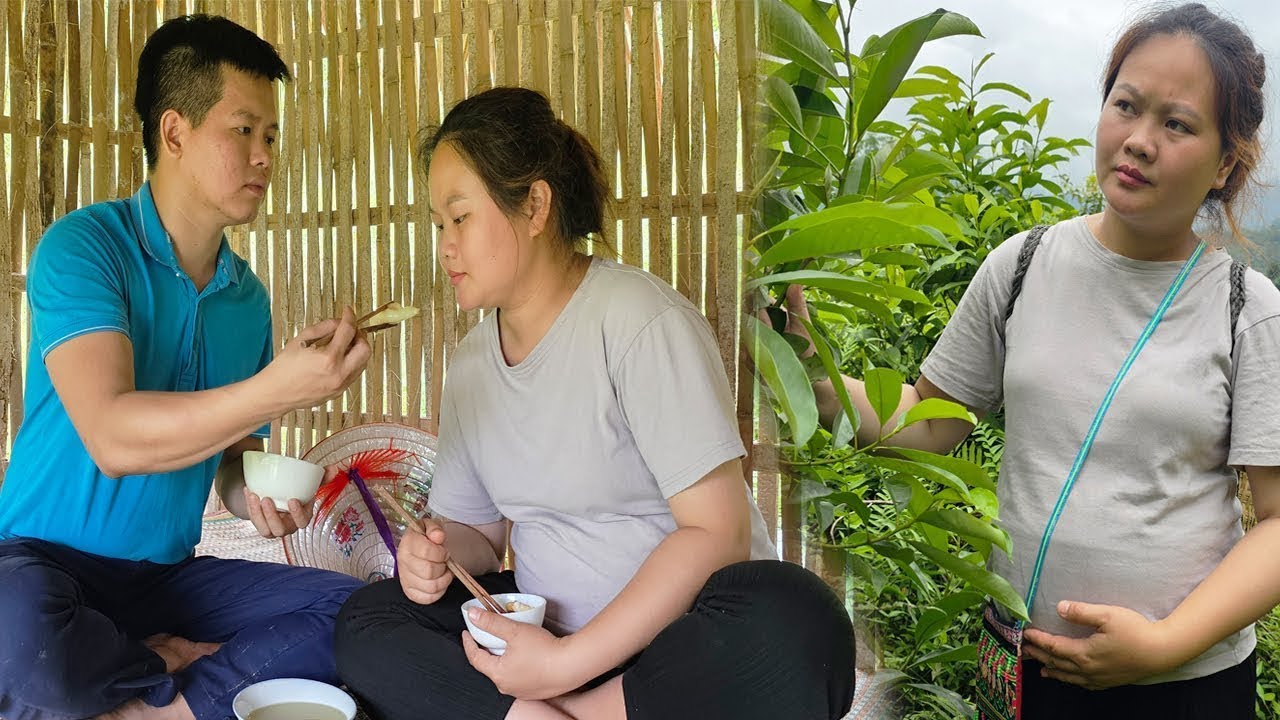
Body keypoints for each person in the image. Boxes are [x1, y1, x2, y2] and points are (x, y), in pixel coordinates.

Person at [777, 4, 1278, 718]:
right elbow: (929, 419)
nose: (1138, 141)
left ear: (1226, 161)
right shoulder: (1024, 265)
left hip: (1181, 687)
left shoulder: (1246, 308)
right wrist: (810, 378)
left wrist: (1165, 643)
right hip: (1024, 671)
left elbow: (1277, 523)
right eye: (1125, 105)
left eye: (1177, 123)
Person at [333, 87, 857, 720]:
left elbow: (718, 532)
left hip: (677, 645)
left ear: (534, 205)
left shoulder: (639, 322)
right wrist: (435, 556)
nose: (445, 245)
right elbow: (477, 535)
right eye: (438, 224)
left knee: (802, 622)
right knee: (368, 620)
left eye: (461, 217)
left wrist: (564, 665)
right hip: (545, 637)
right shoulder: (472, 367)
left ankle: (577, 708)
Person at [0, 15, 372, 720]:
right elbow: (113, 436)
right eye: (244, 131)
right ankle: (158, 661)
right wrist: (274, 387)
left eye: (271, 137)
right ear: (174, 133)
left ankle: (160, 705)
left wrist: (251, 497)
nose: (265, 157)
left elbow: (231, 460)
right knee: (15, 637)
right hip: (41, 566)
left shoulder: (248, 299)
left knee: (359, 613)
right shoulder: (84, 248)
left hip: (165, 581)